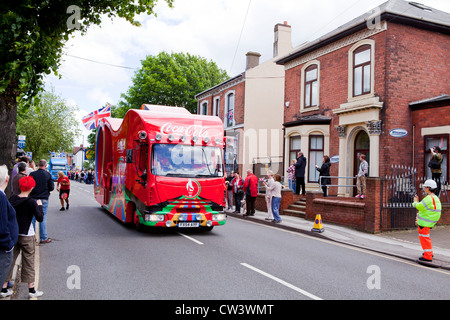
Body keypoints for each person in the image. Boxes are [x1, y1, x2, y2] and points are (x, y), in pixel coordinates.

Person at [5, 176, 44, 298]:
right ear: (32, 187)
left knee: (10, 261)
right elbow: (40, 218)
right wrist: (40, 206)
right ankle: (31, 290)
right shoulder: (31, 202)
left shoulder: (12, 199)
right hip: (27, 236)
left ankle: (4, 287)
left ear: (20, 186)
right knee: (28, 262)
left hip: (14, 234)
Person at [412, 179, 441, 262]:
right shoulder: (436, 198)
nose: (423, 188)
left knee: (424, 238)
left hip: (424, 222)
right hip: (430, 222)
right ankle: (429, 253)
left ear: (429, 188)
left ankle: (427, 256)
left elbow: (419, 206)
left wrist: (415, 201)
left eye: (425, 187)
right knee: (426, 238)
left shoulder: (428, 198)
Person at [0, 165, 18, 298]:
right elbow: (2, 225)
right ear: (7, 179)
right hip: (3, 247)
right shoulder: (1, 197)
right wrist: (9, 245)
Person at [29, 160, 54, 244]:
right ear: (46, 165)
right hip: (43, 198)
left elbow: (29, 185)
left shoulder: (32, 174)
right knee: (42, 218)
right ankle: (43, 238)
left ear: (38, 165)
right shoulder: (48, 175)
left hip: (33, 198)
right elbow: (51, 187)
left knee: (32, 218)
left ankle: (31, 238)